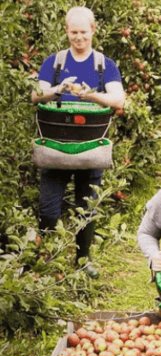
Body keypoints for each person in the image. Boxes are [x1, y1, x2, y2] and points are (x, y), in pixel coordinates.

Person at [32, 6, 126, 278]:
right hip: (55, 147)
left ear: (93, 30)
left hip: (89, 148)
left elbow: (118, 100)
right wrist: (57, 90)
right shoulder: (55, 62)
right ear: (66, 32)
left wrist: (91, 96)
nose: (79, 38)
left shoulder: (103, 65)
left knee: (87, 206)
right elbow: (35, 96)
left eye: (83, 32)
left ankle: (83, 260)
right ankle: (45, 261)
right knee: (49, 207)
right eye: (74, 32)